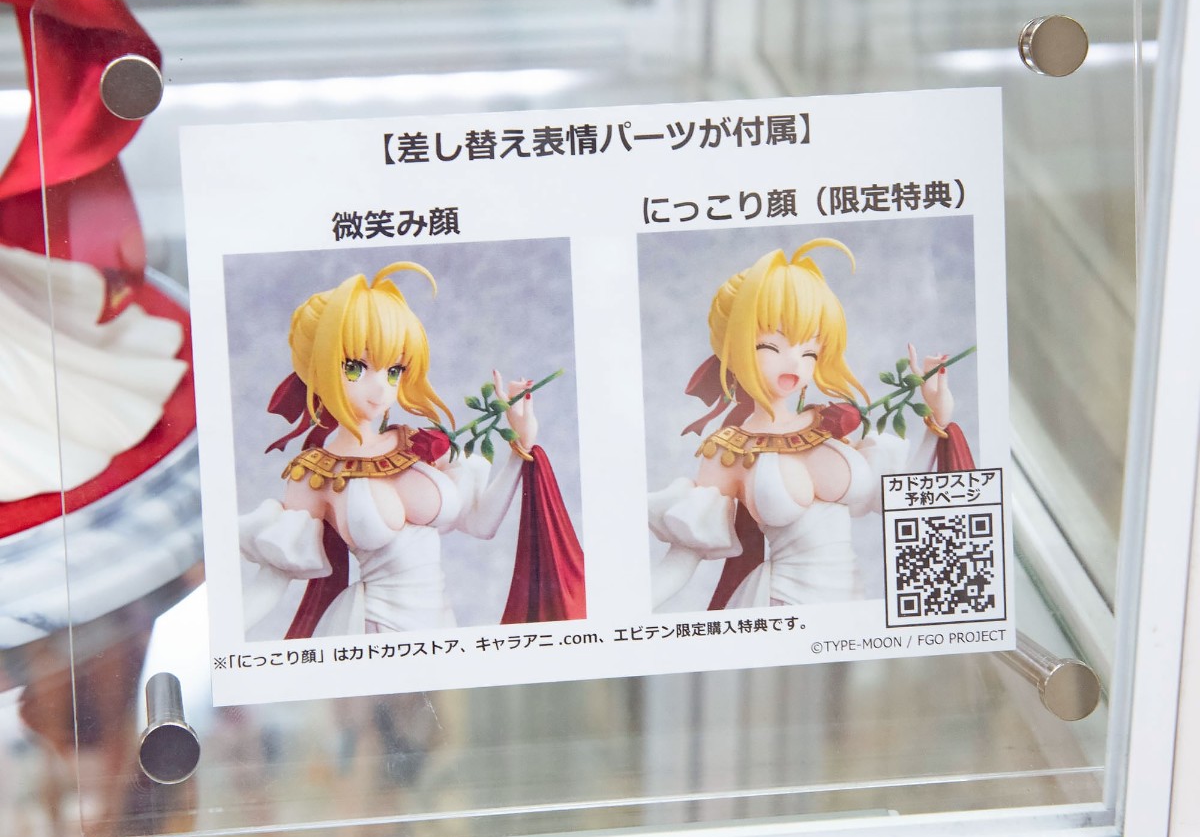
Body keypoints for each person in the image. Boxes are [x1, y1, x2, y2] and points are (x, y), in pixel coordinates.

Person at [239, 261, 583, 638]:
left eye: (394, 371)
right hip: (374, 629)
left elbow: (481, 523)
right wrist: (224, 638)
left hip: (441, 624)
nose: (381, 389)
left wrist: (521, 444)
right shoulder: (315, 473)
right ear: (316, 368)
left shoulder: (418, 444)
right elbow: (274, 578)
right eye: (355, 368)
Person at [648, 239, 972, 611]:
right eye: (770, 347)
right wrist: (621, 619)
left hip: (851, 602)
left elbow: (900, 499)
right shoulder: (729, 450)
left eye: (809, 351)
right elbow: (681, 561)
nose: (795, 363)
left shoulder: (829, 424)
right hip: (780, 607)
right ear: (734, 349)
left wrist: (937, 418)